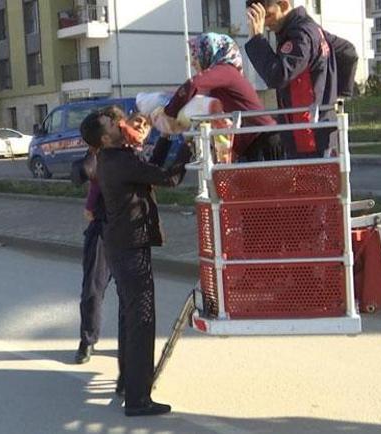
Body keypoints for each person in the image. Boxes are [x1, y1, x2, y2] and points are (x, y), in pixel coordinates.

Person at [80, 107, 191, 417]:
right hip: (129, 248)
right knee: (141, 320)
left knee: (131, 318)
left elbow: (149, 169)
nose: (121, 124)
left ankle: (128, 384)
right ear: (105, 137)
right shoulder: (118, 161)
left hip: (122, 244)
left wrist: (167, 139)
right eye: (114, 124)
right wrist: (189, 146)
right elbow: (168, 177)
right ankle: (138, 399)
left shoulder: (113, 158)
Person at [70, 113, 154, 365]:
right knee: (93, 288)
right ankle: (87, 340)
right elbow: (83, 173)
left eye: (143, 125)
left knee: (127, 293)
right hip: (101, 227)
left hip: (128, 230)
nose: (136, 126)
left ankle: (126, 345)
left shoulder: (133, 152)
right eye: (130, 122)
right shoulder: (102, 153)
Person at [163, 32, 282, 162]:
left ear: (209, 52)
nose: (193, 63)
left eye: (195, 56)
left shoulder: (225, 71)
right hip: (253, 142)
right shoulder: (222, 76)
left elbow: (193, 84)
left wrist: (169, 112)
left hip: (263, 140)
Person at [244, 0, 339, 158]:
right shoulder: (309, 29)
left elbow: (277, 75)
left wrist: (256, 38)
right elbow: (347, 51)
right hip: (309, 128)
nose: (264, 24)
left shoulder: (300, 35)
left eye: (267, 16)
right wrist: (334, 94)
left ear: (284, 4)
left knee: (310, 182)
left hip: (309, 134)